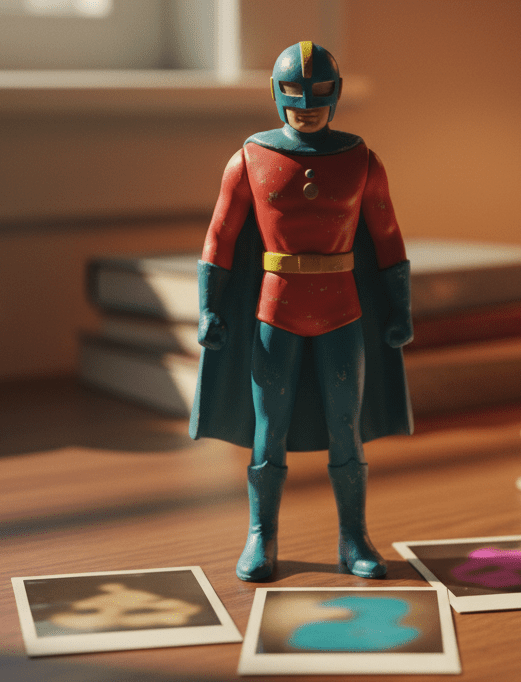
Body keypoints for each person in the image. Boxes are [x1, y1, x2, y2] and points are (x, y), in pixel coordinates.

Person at [189, 41, 413, 581]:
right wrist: (208, 308)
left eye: (318, 93)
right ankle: (261, 536)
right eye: (294, 92)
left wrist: (400, 307)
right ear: (276, 93)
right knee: (268, 432)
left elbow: (387, 235)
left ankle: (353, 538)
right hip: (276, 310)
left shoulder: (361, 160)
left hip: (342, 311)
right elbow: (220, 236)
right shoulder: (249, 158)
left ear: (336, 94)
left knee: (346, 428)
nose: (306, 105)